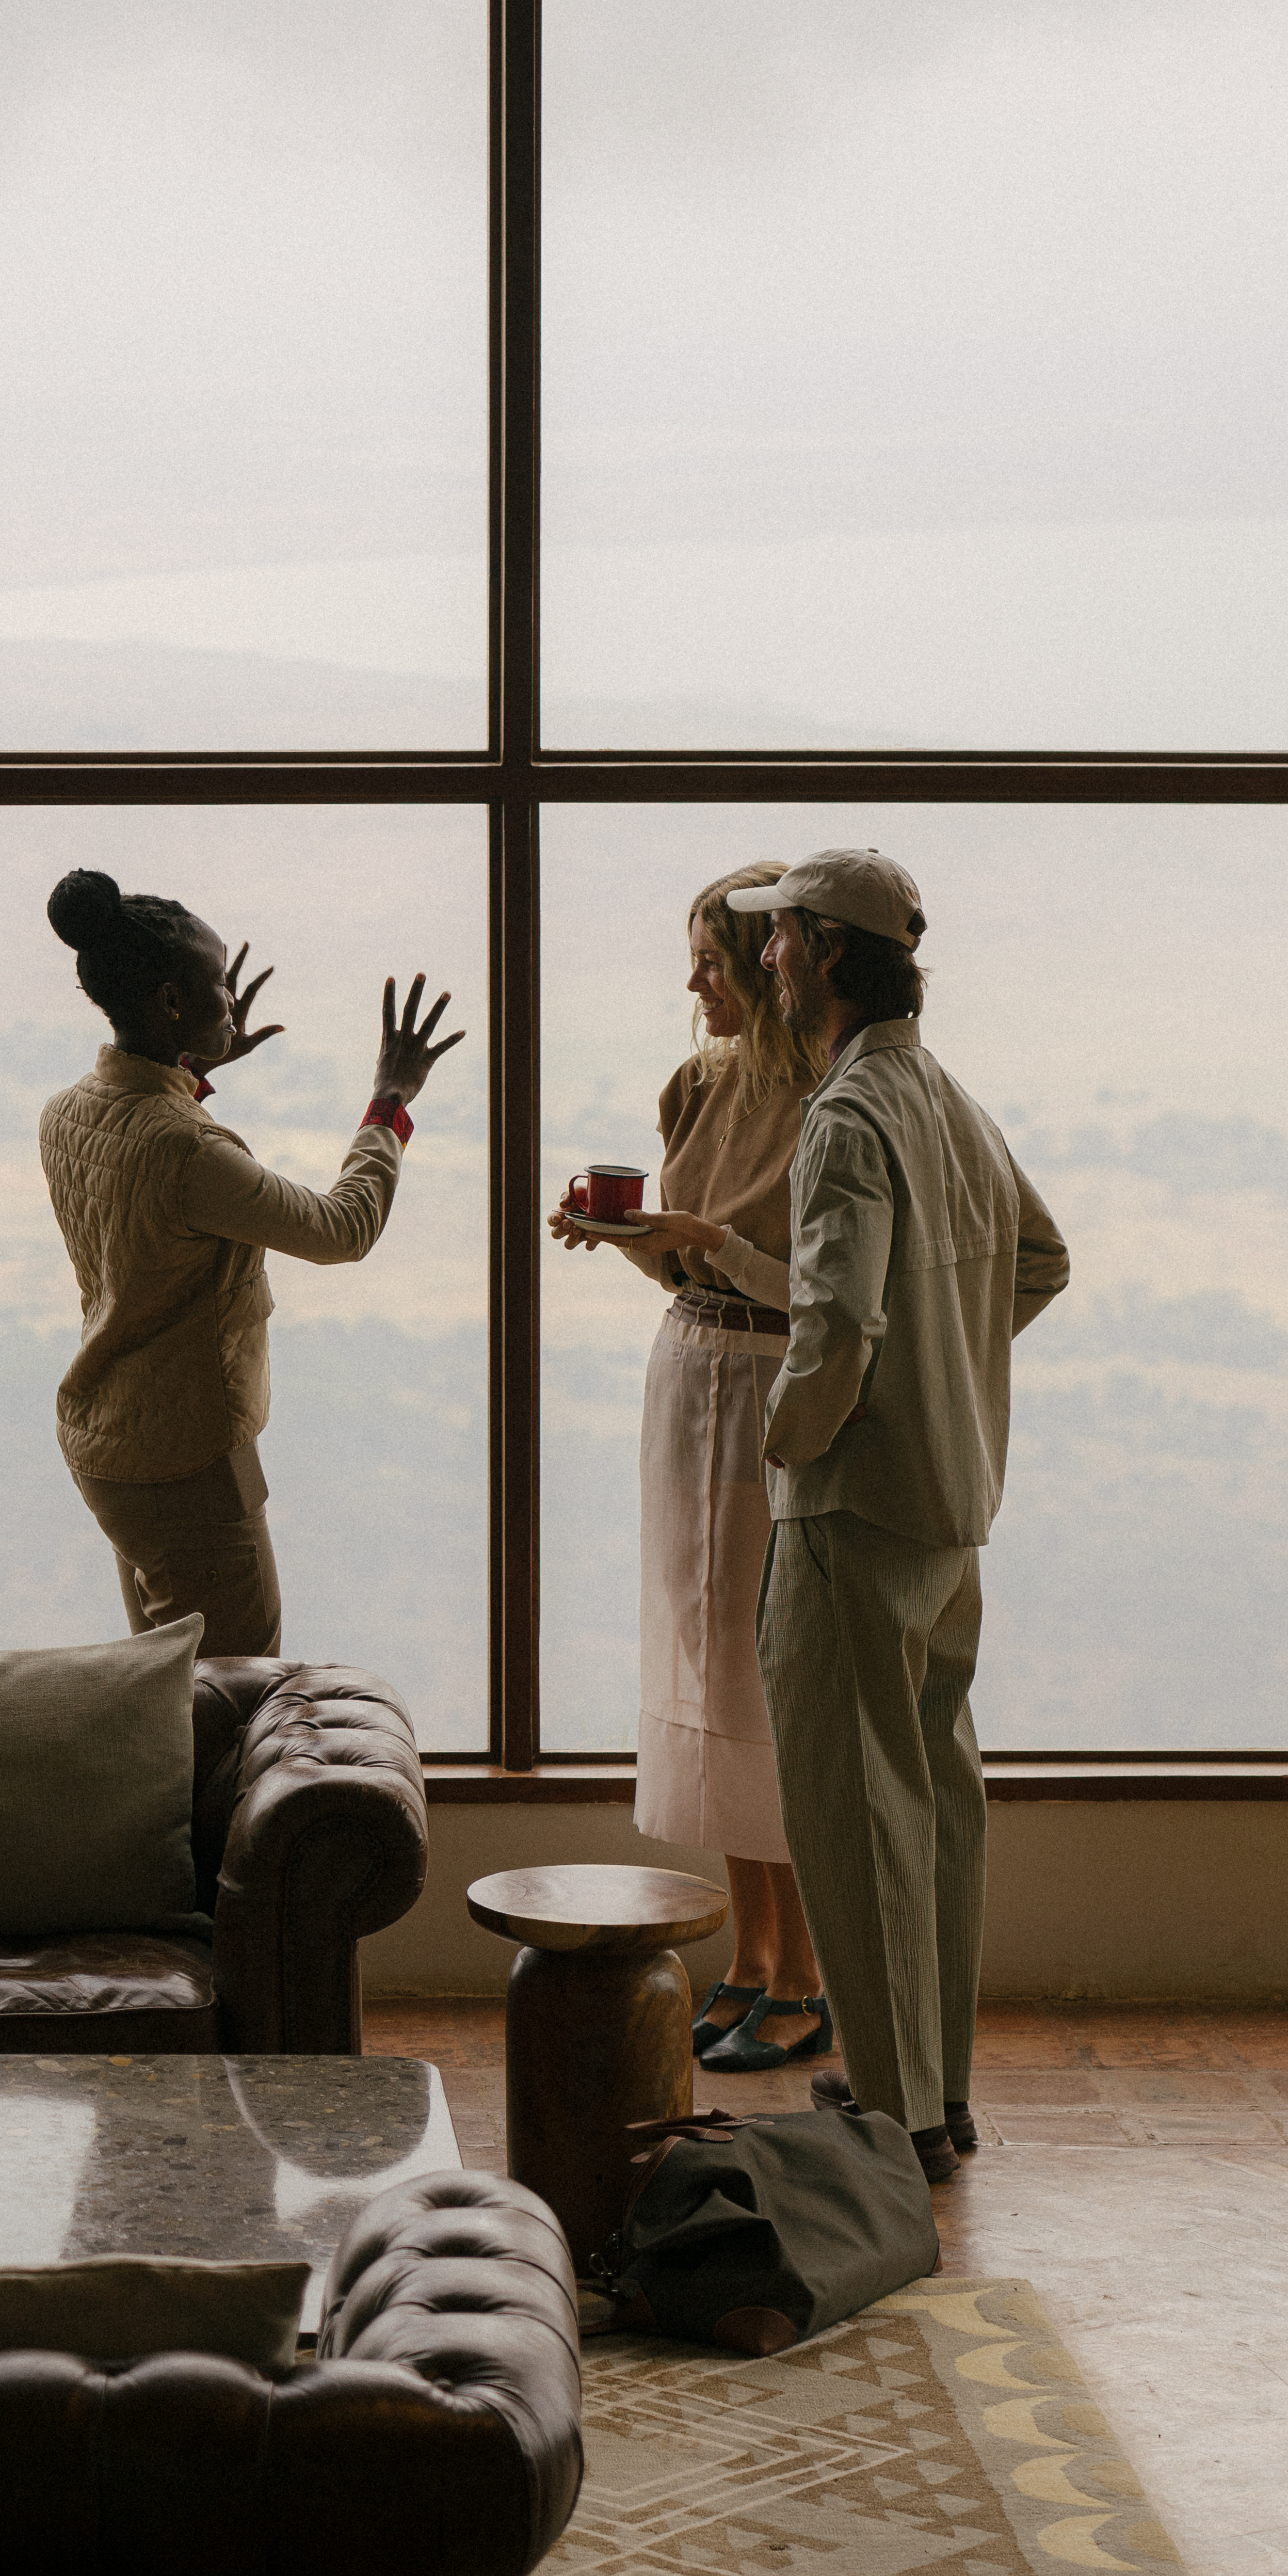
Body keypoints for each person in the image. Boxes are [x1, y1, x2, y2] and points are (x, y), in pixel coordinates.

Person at [726, 849, 1069, 2181]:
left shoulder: (849, 1117)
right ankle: (940, 2085)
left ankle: (893, 2109)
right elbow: (1038, 1255)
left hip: (853, 1510)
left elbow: (837, 1334)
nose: (768, 959)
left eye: (782, 939)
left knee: (850, 1807)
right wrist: (952, 1357)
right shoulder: (948, 1099)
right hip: (950, 1509)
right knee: (936, 1797)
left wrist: (781, 1444)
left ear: (827, 953)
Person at [547, 862, 831, 2073]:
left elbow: (825, 1296)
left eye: (712, 961)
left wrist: (707, 1242)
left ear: (770, 966)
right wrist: (630, 1245)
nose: (693, 983)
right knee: (708, 1667)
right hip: (689, 1374)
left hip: (773, 1386)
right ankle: (750, 1958)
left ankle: (807, 1973)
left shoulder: (831, 1100)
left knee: (767, 1677)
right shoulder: (696, 1083)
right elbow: (685, 1273)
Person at [39, 866, 462, 1657]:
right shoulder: (190, 1148)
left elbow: (148, 1194)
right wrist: (390, 1098)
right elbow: (343, 1228)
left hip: (110, 1450)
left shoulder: (66, 1114)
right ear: (170, 1004)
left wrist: (187, 1068)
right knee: (234, 1691)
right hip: (186, 1465)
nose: (233, 1002)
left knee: (163, 1686)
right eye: (217, 988)